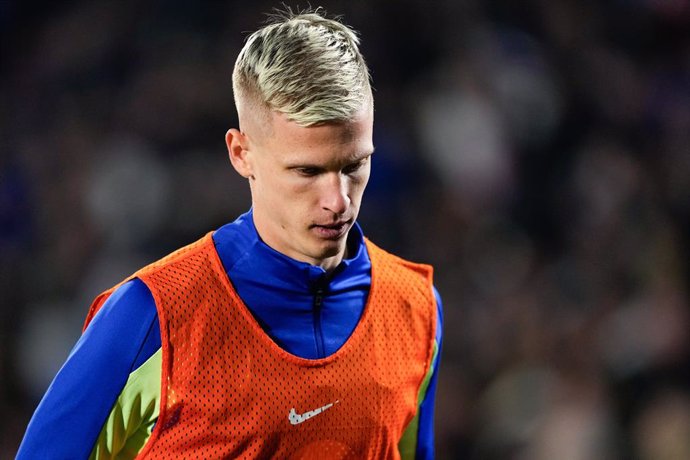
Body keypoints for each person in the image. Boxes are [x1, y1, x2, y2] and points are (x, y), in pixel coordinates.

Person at [18, 8, 443, 459]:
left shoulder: (416, 309)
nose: (338, 201)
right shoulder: (151, 318)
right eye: (306, 171)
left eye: (354, 165)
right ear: (242, 154)